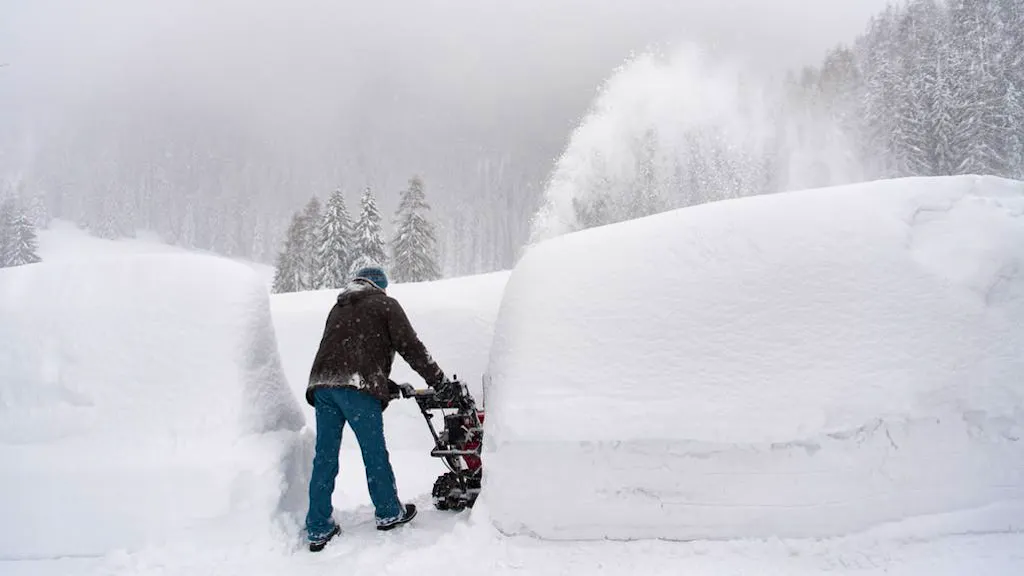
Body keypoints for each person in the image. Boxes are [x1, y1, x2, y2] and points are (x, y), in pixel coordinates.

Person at [304, 266, 447, 552]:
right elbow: (411, 347)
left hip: (323, 385)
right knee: (373, 452)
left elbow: (348, 352)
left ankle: (318, 526)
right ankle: (388, 511)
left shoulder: (339, 307)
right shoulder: (385, 304)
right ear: (380, 286)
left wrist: (386, 385)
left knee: (325, 457)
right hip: (357, 386)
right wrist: (439, 381)